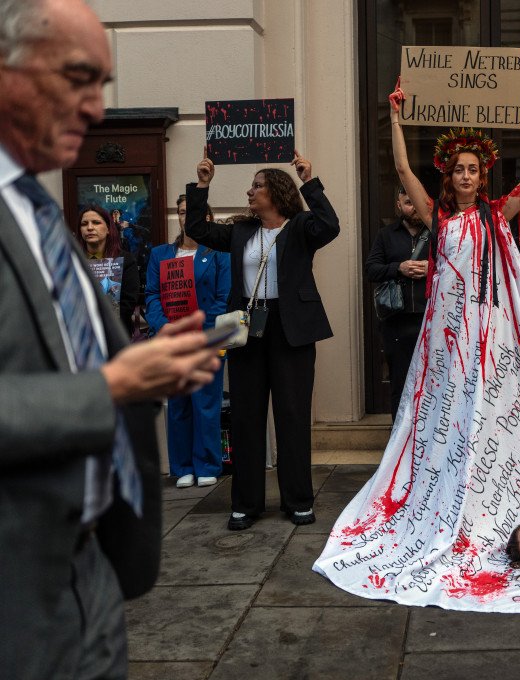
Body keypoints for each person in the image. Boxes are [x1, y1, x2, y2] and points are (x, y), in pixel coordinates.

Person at [0, 1, 220, 677]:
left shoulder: (39, 213)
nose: (96, 108)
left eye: (103, 83)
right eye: (77, 78)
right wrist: (112, 388)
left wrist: (152, 365)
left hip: (93, 577)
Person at [186, 150, 340, 531]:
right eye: (252, 186)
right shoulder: (240, 231)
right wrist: (202, 185)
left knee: (292, 416)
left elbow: (330, 225)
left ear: (277, 191)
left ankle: (298, 501)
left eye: (257, 185)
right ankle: (246, 504)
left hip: (292, 330)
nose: (250, 191)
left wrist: (309, 179)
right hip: (244, 328)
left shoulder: (302, 227)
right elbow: (198, 229)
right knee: (245, 417)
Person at [146, 194, 231, 487]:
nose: (185, 216)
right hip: (172, 339)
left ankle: (207, 463)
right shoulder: (161, 254)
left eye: (191, 212)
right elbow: (152, 295)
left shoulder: (220, 255)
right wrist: (164, 327)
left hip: (207, 337)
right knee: (179, 403)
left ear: (206, 219)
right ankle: (182, 466)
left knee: (206, 403)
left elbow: (223, 299)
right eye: (181, 212)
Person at [365, 186, 431, 419]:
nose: (414, 207)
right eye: (408, 202)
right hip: (397, 320)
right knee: (400, 384)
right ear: (398, 205)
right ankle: (399, 443)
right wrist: (399, 268)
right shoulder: (386, 235)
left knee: (433, 382)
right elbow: (371, 269)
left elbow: (458, 268)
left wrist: (431, 269)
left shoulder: (438, 233)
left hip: (430, 318)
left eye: (418, 202)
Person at [77, 203, 140, 334]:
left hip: (115, 335)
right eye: (84, 224)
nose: (89, 228)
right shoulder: (73, 261)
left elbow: (128, 303)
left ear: (108, 229)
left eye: (96, 222)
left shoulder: (125, 260)